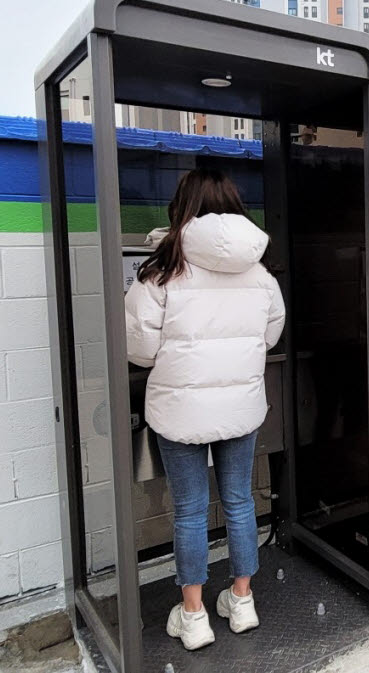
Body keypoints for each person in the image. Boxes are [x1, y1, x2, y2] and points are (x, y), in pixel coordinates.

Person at [125, 169, 286, 651]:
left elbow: (139, 349)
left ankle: (193, 616)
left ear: (182, 208)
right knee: (238, 501)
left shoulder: (160, 270)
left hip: (180, 410)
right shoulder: (260, 273)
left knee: (190, 511)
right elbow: (270, 335)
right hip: (240, 406)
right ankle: (241, 602)